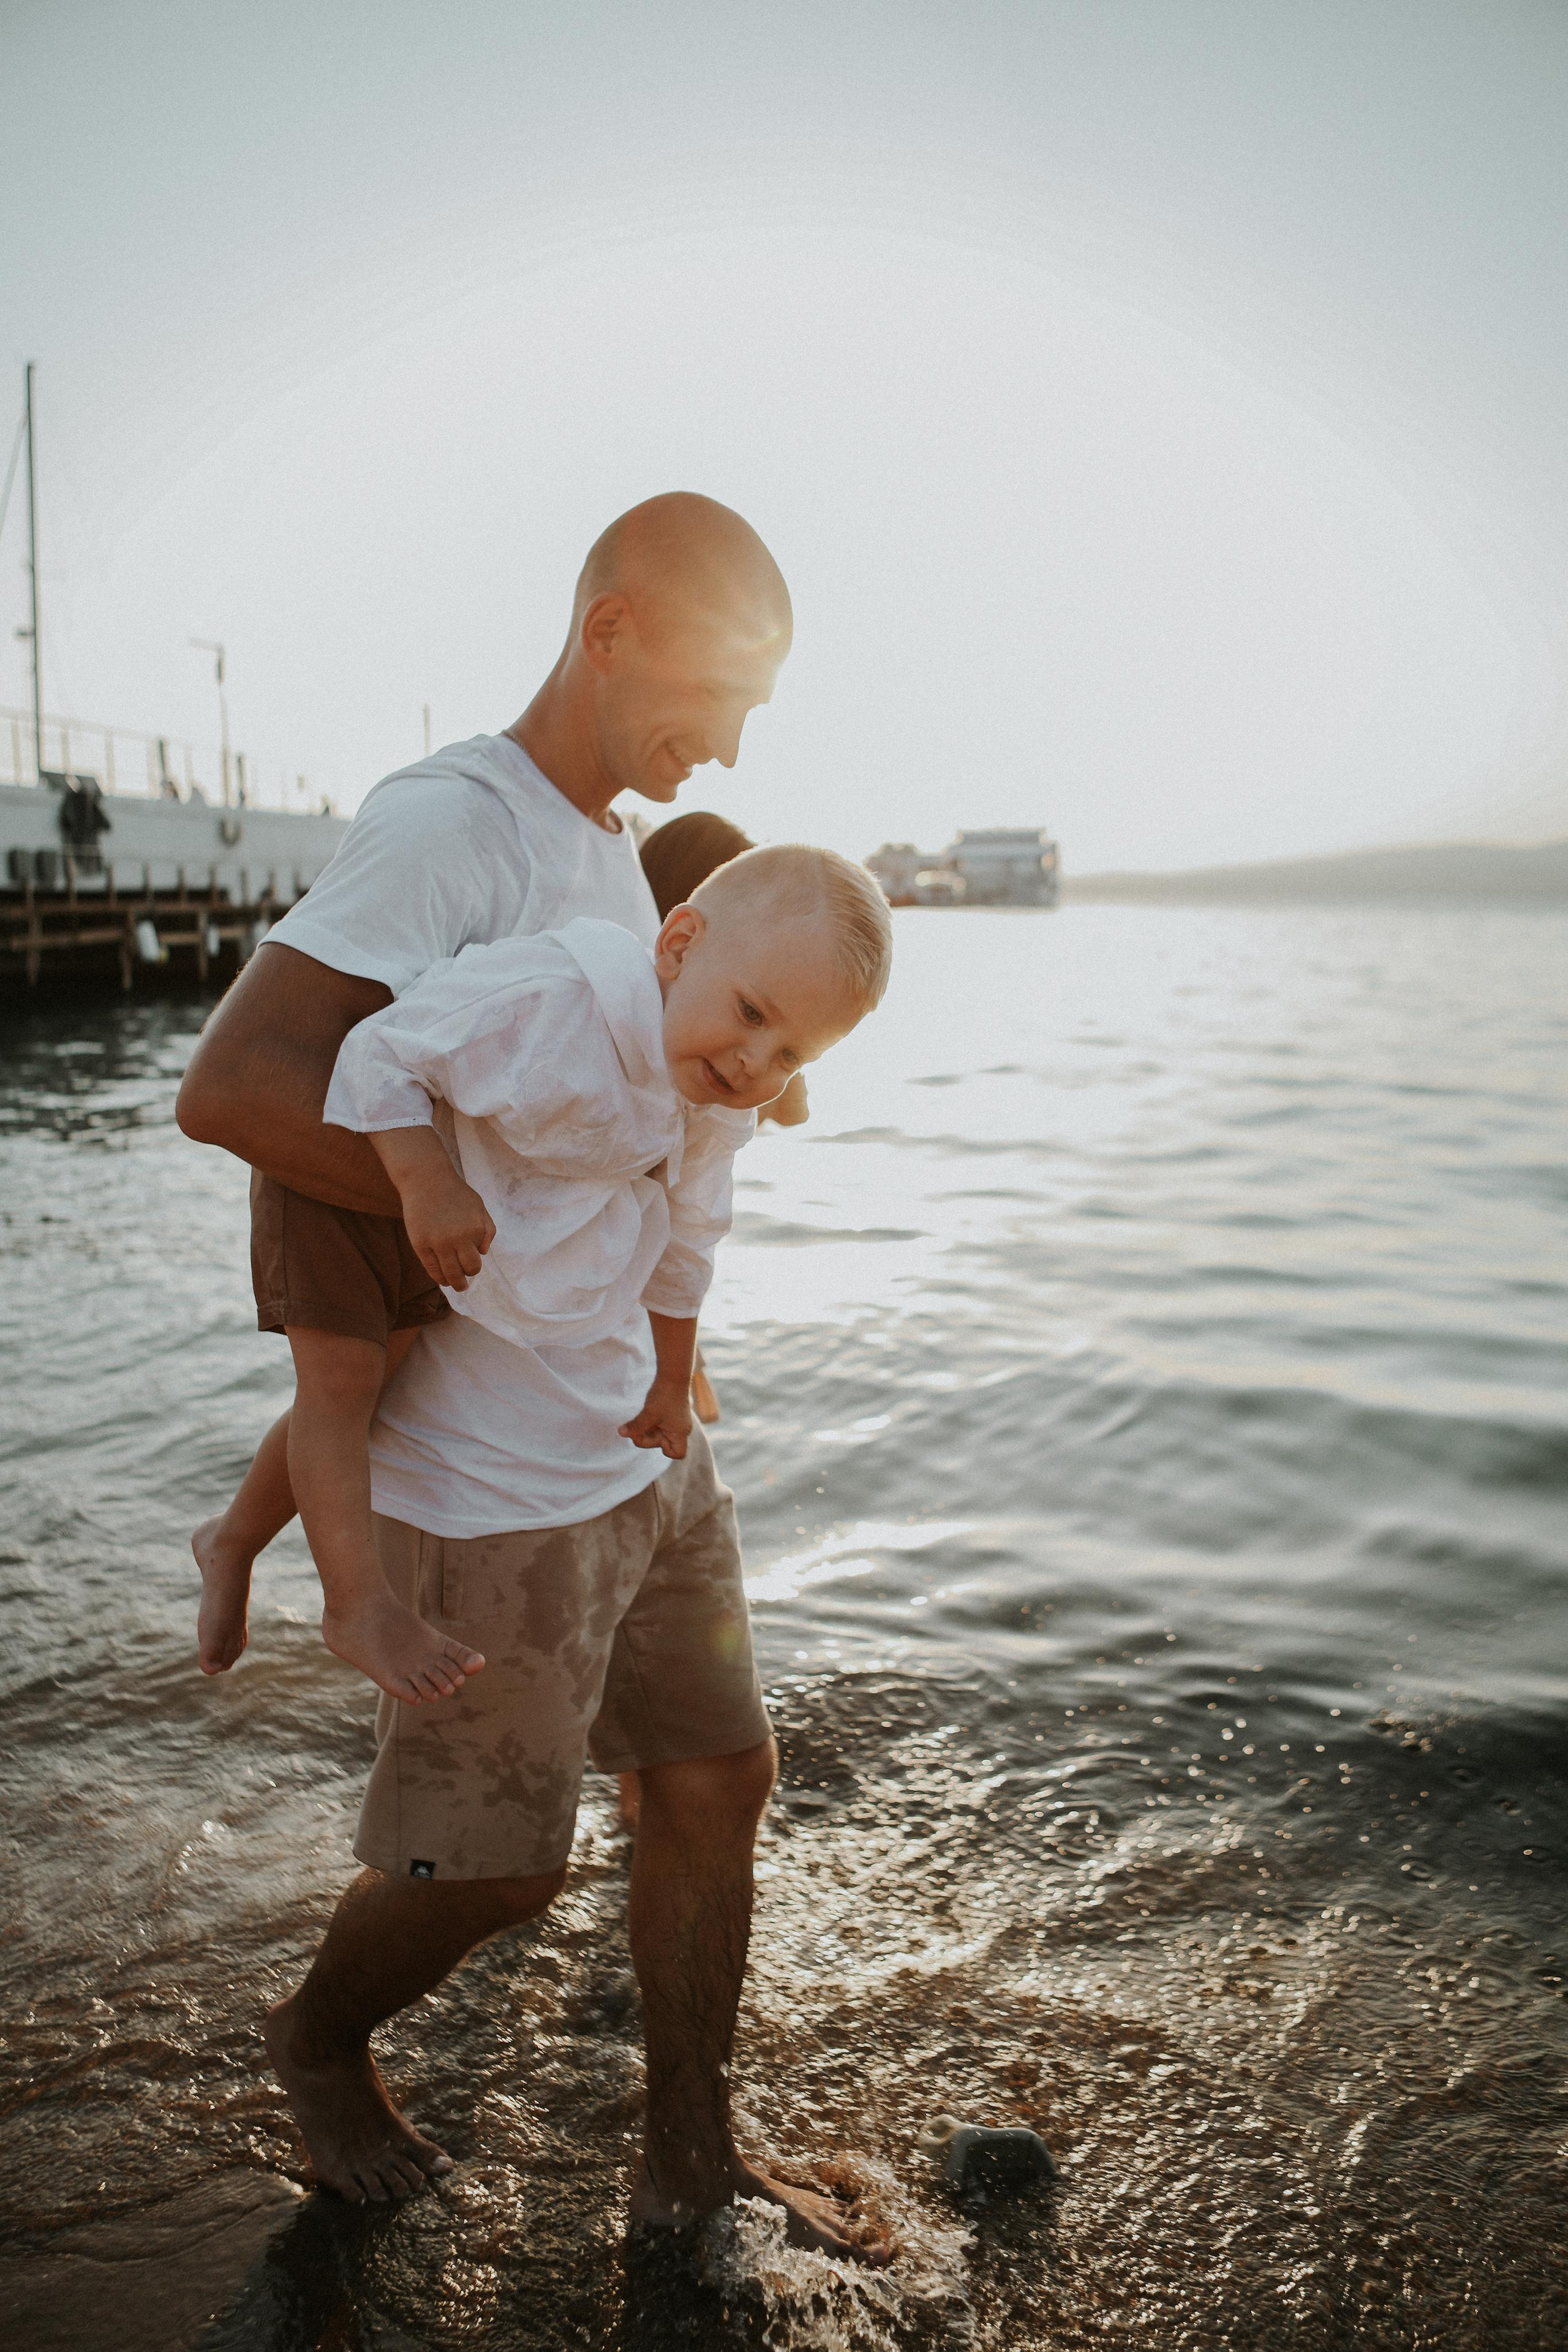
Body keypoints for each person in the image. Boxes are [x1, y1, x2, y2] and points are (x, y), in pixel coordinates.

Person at [176, 494, 889, 2260]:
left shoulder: (608, 851)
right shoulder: (454, 828)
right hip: (494, 1480)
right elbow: (243, 1087)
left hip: (639, 1447)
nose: (727, 745)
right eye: (717, 694)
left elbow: (666, 1110)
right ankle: (321, 2042)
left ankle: (692, 2164)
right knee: (498, 1870)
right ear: (614, 627)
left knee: (719, 1779)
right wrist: (500, 1217)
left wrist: (667, 1333)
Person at [196, 851, 884, 1709]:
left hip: (443, 1187)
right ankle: (356, 1605)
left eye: (789, 1053)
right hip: (362, 1151)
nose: (753, 1062)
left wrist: (674, 1379)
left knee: (367, 1389)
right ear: (676, 944)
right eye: (750, 1014)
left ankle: (231, 1539)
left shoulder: (718, 1097)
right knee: (340, 1384)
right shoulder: (549, 1004)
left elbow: (691, 1239)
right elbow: (376, 1055)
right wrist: (425, 1182)